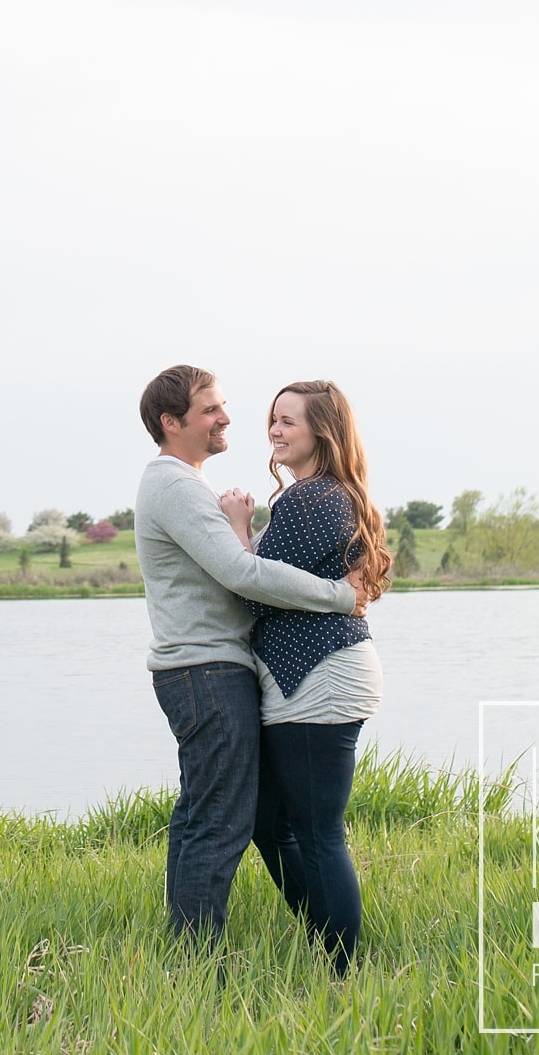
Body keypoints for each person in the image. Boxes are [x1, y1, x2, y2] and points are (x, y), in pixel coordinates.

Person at [133, 364, 368, 944]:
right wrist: (342, 596)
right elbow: (244, 574)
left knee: (221, 815)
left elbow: (256, 569)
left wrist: (241, 528)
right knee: (219, 820)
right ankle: (196, 956)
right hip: (205, 669)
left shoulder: (190, 485)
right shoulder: (174, 484)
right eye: (210, 408)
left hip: (221, 667)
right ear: (172, 421)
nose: (227, 417)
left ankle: (209, 947)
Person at [224, 379, 391, 976]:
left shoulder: (309, 499)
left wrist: (239, 528)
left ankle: (342, 970)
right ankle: (326, 943)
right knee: (271, 824)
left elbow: (256, 587)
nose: (274, 430)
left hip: (319, 677)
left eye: (288, 421)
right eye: (272, 420)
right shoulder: (325, 496)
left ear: (323, 429)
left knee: (316, 833)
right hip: (311, 676)